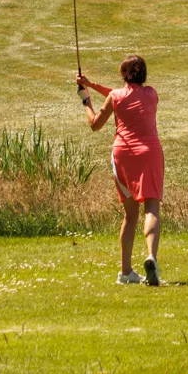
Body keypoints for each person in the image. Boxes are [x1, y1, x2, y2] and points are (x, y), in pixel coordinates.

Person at [79, 55, 164, 286]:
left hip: (123, 155)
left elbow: (95, 124)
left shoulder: (116, 97)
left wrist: (86, 101)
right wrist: (91, 84)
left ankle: (126, 272)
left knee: (130, 214)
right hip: (150, 153)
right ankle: (151, 257)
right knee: (151, 208)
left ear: (124, 74)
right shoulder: (152, 94)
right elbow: (122, 96)